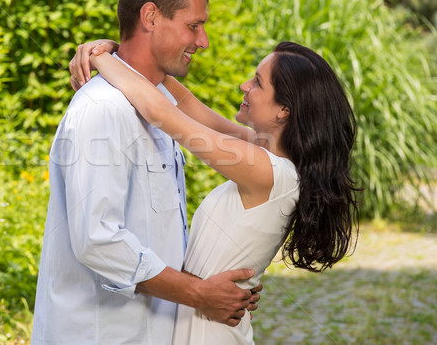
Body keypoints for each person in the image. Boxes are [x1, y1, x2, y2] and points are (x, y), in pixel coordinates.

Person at [31, 0, 261, 345]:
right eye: (193, 25)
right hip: (100, 335)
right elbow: (97, 238)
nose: (202, 41)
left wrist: (110, 51)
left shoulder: (162, 102)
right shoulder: (104, 109)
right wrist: (199, 293)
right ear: (151, 16)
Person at [71, 40, 360, 344]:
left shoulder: (269, 171)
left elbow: (162, 113)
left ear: (284, 111)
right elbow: (186, 105)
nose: (244, 85)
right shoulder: (272, 158)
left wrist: (99, 57)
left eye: (258, 83)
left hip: (211, 333)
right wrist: (128, 52)